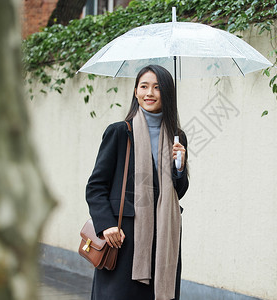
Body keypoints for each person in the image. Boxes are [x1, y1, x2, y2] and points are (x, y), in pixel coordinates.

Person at [86, 64, 189, 300]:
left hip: (163, 239)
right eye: (144, 86)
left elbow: (178, 192)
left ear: (167, 93)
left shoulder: (177, 136)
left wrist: (179, 167)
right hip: (124, 237)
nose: (149, 93)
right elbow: (96, 186)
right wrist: (106, 224)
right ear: (135, 92)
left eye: (156, 87)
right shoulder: (120, 132)